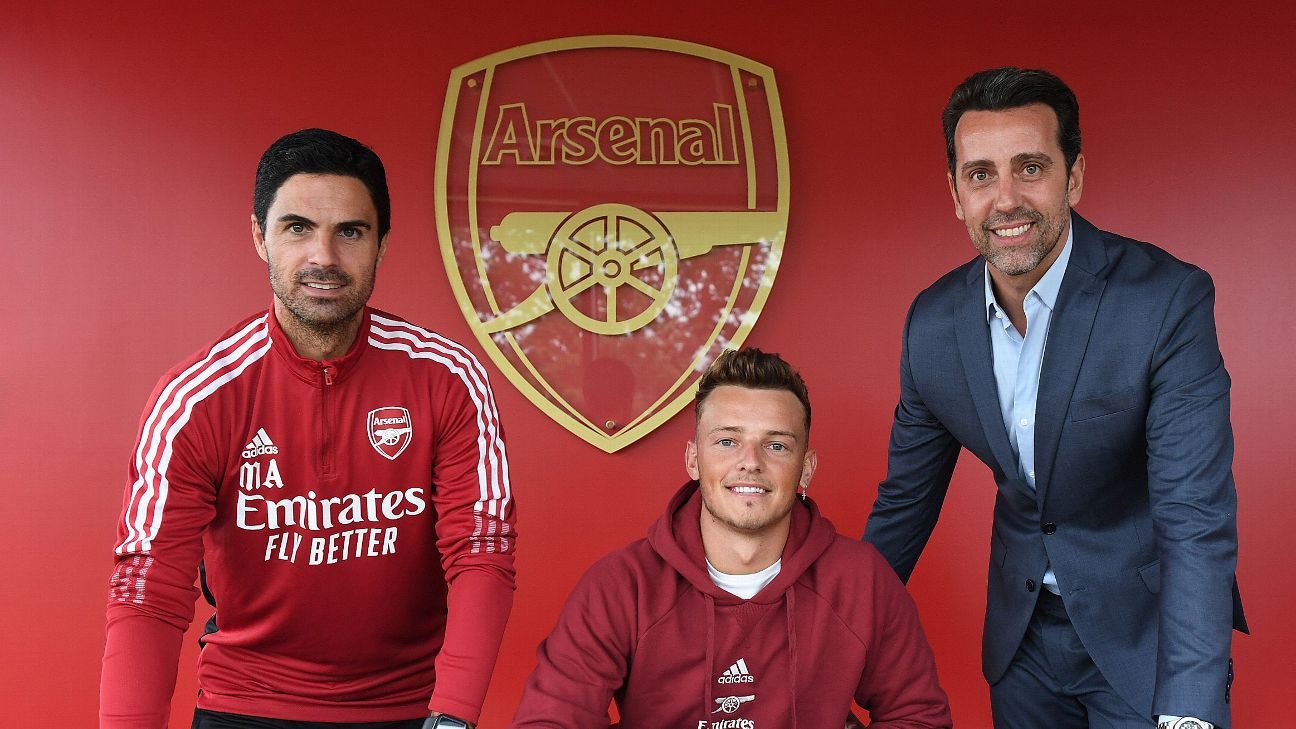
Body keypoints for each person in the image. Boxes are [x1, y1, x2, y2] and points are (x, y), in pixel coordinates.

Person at [863, 67, 1247, 729]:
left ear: (1073, 177)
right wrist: (824, 637)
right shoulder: (932, 325)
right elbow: (904, 506)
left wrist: (1190, 707)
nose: (1006, 199)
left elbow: (1194, 517)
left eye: (1031, 167)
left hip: (1146, 636)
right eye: (981, 174)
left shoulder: (1165, 301)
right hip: (1023, 645)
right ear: (956, 192)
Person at [101, 129, 515, 729]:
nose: (324, 256)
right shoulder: (196, 396)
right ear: (259, 238)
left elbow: (481, 553)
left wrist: (453, 715)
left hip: (412, 711)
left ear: (382, 244)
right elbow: (149, 585)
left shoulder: (448, 378)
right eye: (297, 228)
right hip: (244, 703)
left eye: (350, 231)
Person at [511, 348, 951, 729]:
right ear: (693, 458)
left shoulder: (860, 580)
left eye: (776, 445)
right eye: (726, 441)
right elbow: (549, 720)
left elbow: (918, 716)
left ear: (807, 468)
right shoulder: (623, 585)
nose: (750, 463)